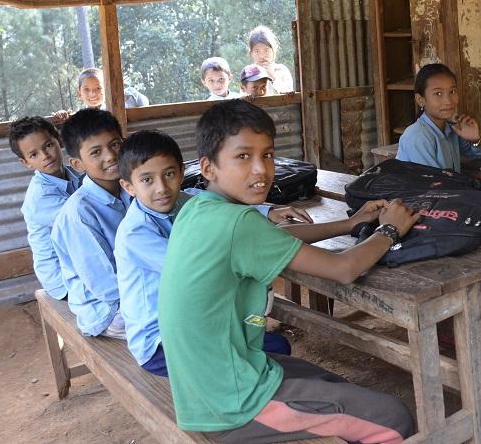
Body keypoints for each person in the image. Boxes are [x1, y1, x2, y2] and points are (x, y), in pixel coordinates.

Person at [158, 99, 417, 442]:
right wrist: (389, 231)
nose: (260, 170)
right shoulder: (237, 224)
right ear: (208, 168)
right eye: (243, 156)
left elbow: (272, 238)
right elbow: (344, 268)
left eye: (267, 155)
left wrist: (349, 223)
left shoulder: (196, 207)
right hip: (233, 403)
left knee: (324, 380)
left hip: (203, 387)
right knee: (393, 418)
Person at [114, 129, 313, 376]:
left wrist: (267, 211)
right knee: (273, 351)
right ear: (128, 186)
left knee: (274, 347)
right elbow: (194, 273)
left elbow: (217, 204)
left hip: (196, 324)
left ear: (182, 172)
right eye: (147, 180)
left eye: (169, 174)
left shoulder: (184, 201)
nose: (162, 188)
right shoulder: (136, 233)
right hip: (162, 343)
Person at [51, 108, 130, 338]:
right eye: (96, 152)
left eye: (115, 144)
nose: (110, 156)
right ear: (77, 164)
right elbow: (107, 287)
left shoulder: (131, 189)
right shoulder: (79, 214)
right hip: (108, 309)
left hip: (138, 289)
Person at [9, 116, 81, 301]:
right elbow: (85, 220)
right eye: (34, 155)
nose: (45, 156)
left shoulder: (73, 174)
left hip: (78, 261)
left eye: (48, 145)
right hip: (61, 277)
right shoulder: (40, 197)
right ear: (25, 163)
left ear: (59, 141)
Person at [396, 63, 481, 174]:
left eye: (452, 91)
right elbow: (434, 184)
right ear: (420, 100)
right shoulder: (417, 136)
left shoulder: (450, 128)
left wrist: (475, 139)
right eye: (438, 93)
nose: (448, 101)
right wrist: (477, 181)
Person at [248, 25, 294, 93]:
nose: (262, 56)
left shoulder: (281, 70)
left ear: (273, 50)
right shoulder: (248, 72)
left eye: (266, 50)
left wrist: (273, 76)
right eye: (257, 51)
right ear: (251, 53)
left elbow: (289, 92)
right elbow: (244, 98)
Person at [76, 67, 149, 110]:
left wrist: (128, 96)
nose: (92, 94)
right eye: (86, 89)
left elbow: (145, 103)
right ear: (79, 94)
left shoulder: (122, 104)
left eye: (98, 88)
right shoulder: (79, 118)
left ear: (107, 89)